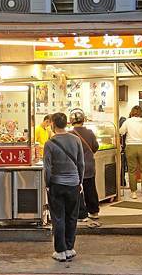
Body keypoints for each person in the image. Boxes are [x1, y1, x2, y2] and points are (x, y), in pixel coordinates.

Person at [43, 112, 84, 262]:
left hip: (56, 185)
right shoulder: (76, 140)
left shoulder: (49, 143)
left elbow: (47, 168)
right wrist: (79, 182)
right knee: (71, 217)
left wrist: (47, 184)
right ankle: (69, 248)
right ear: (66, 123)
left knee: (58, 218)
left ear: (53, 124)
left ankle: (60, 251)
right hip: (73, 184)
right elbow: (81, 163)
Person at [70, 109, 101, 221]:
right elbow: (96, 147)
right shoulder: (90, 132)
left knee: (78, 189)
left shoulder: (70, 134)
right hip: (89, 165)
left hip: (75, 166)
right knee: (90, 187)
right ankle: (94, 211)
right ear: (83, 120)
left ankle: (81, 213)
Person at [119, 106, 142, 199]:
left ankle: (133, 192)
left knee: (131, 170)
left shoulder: (128, 121)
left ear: (131, 112)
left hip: (131, 147)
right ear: (141, 113)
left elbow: (121, 132)